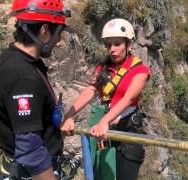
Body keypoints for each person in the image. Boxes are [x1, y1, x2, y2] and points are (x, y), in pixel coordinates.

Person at [0, 0, 74, 179]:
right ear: (44, 30)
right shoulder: (23, 76)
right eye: (58, 32)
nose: (58, 40)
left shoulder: (7, 57)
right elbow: (30, 149)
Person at [61, 18, 150, 180]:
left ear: (129, 45)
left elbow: (129, 98)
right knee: (100, 173)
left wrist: (105, 121)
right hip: (106, 130)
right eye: (109, 45)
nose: (112, 49)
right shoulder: (103, 69)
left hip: (128, 129)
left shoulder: (141, 70)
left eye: (117, 44)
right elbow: (90, 90)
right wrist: (69, 115)